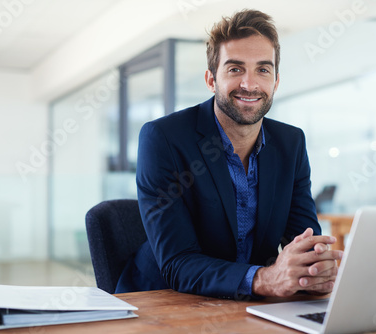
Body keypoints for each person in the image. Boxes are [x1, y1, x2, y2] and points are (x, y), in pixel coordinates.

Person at [115, 9, 343, 299]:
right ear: (211, 80)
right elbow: (177, 262)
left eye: (263, 69)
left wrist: (315, 269)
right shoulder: (163, 139)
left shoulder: (290, 142)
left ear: (276, 81)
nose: (250, 84)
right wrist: (263, 278)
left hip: (246, 305)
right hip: (162, 302)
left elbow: (305, 238)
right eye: (235, 69)